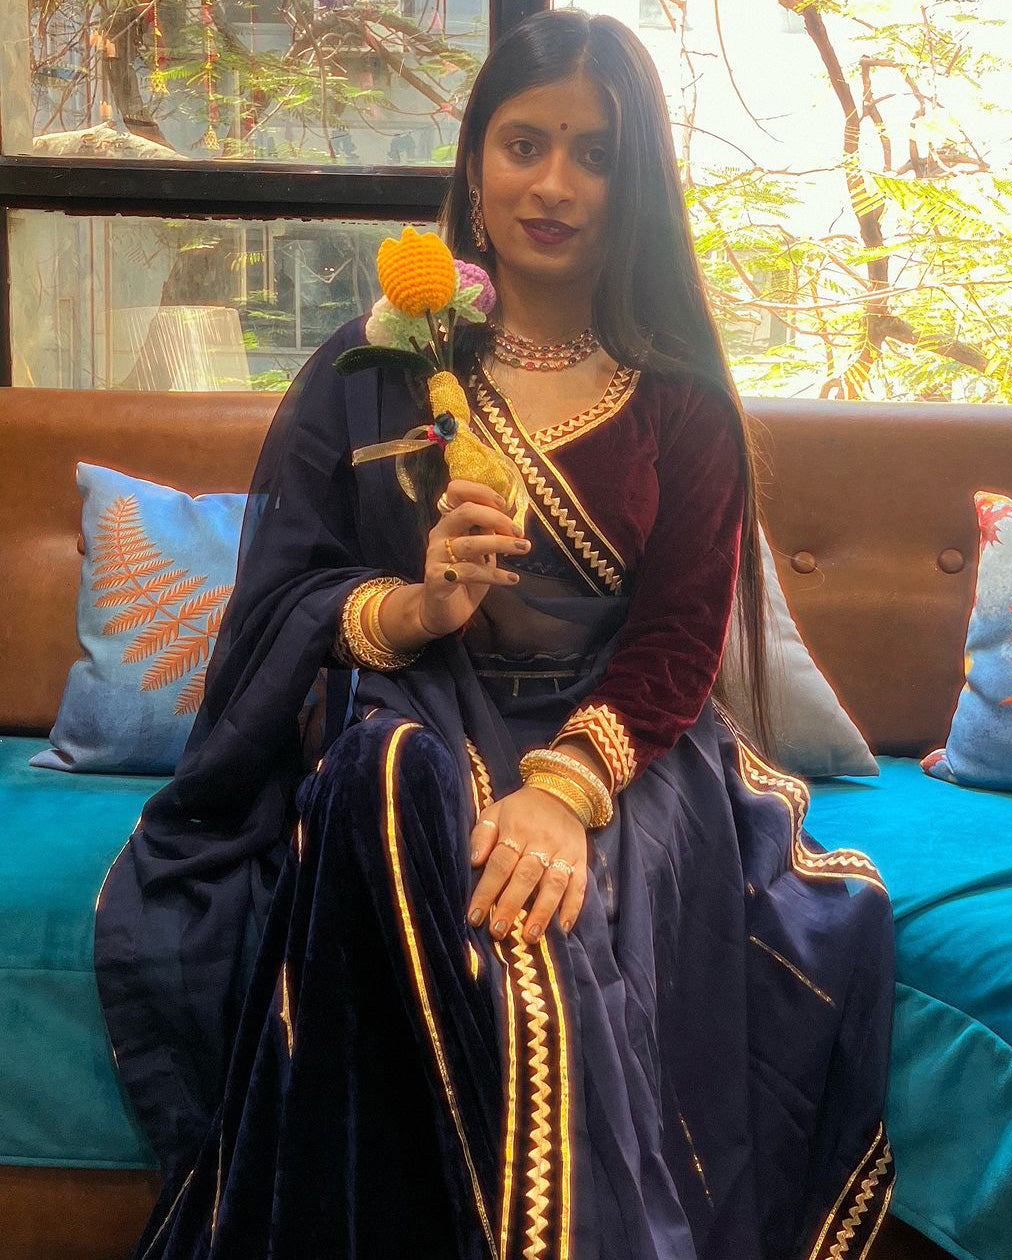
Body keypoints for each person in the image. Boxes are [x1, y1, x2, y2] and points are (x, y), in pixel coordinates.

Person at [94, 10, 895, 1260]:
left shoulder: (678, 400)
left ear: (635, 187)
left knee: (548, 928)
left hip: (616, 746)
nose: (554, 184)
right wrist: (420, 606)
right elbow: (286, 596)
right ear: (475, 161)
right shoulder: (376, 367)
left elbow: (680, 639)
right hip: (417, 706)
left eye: (595, 155)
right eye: (526, 144)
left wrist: (562, 794)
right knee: (383, 784)